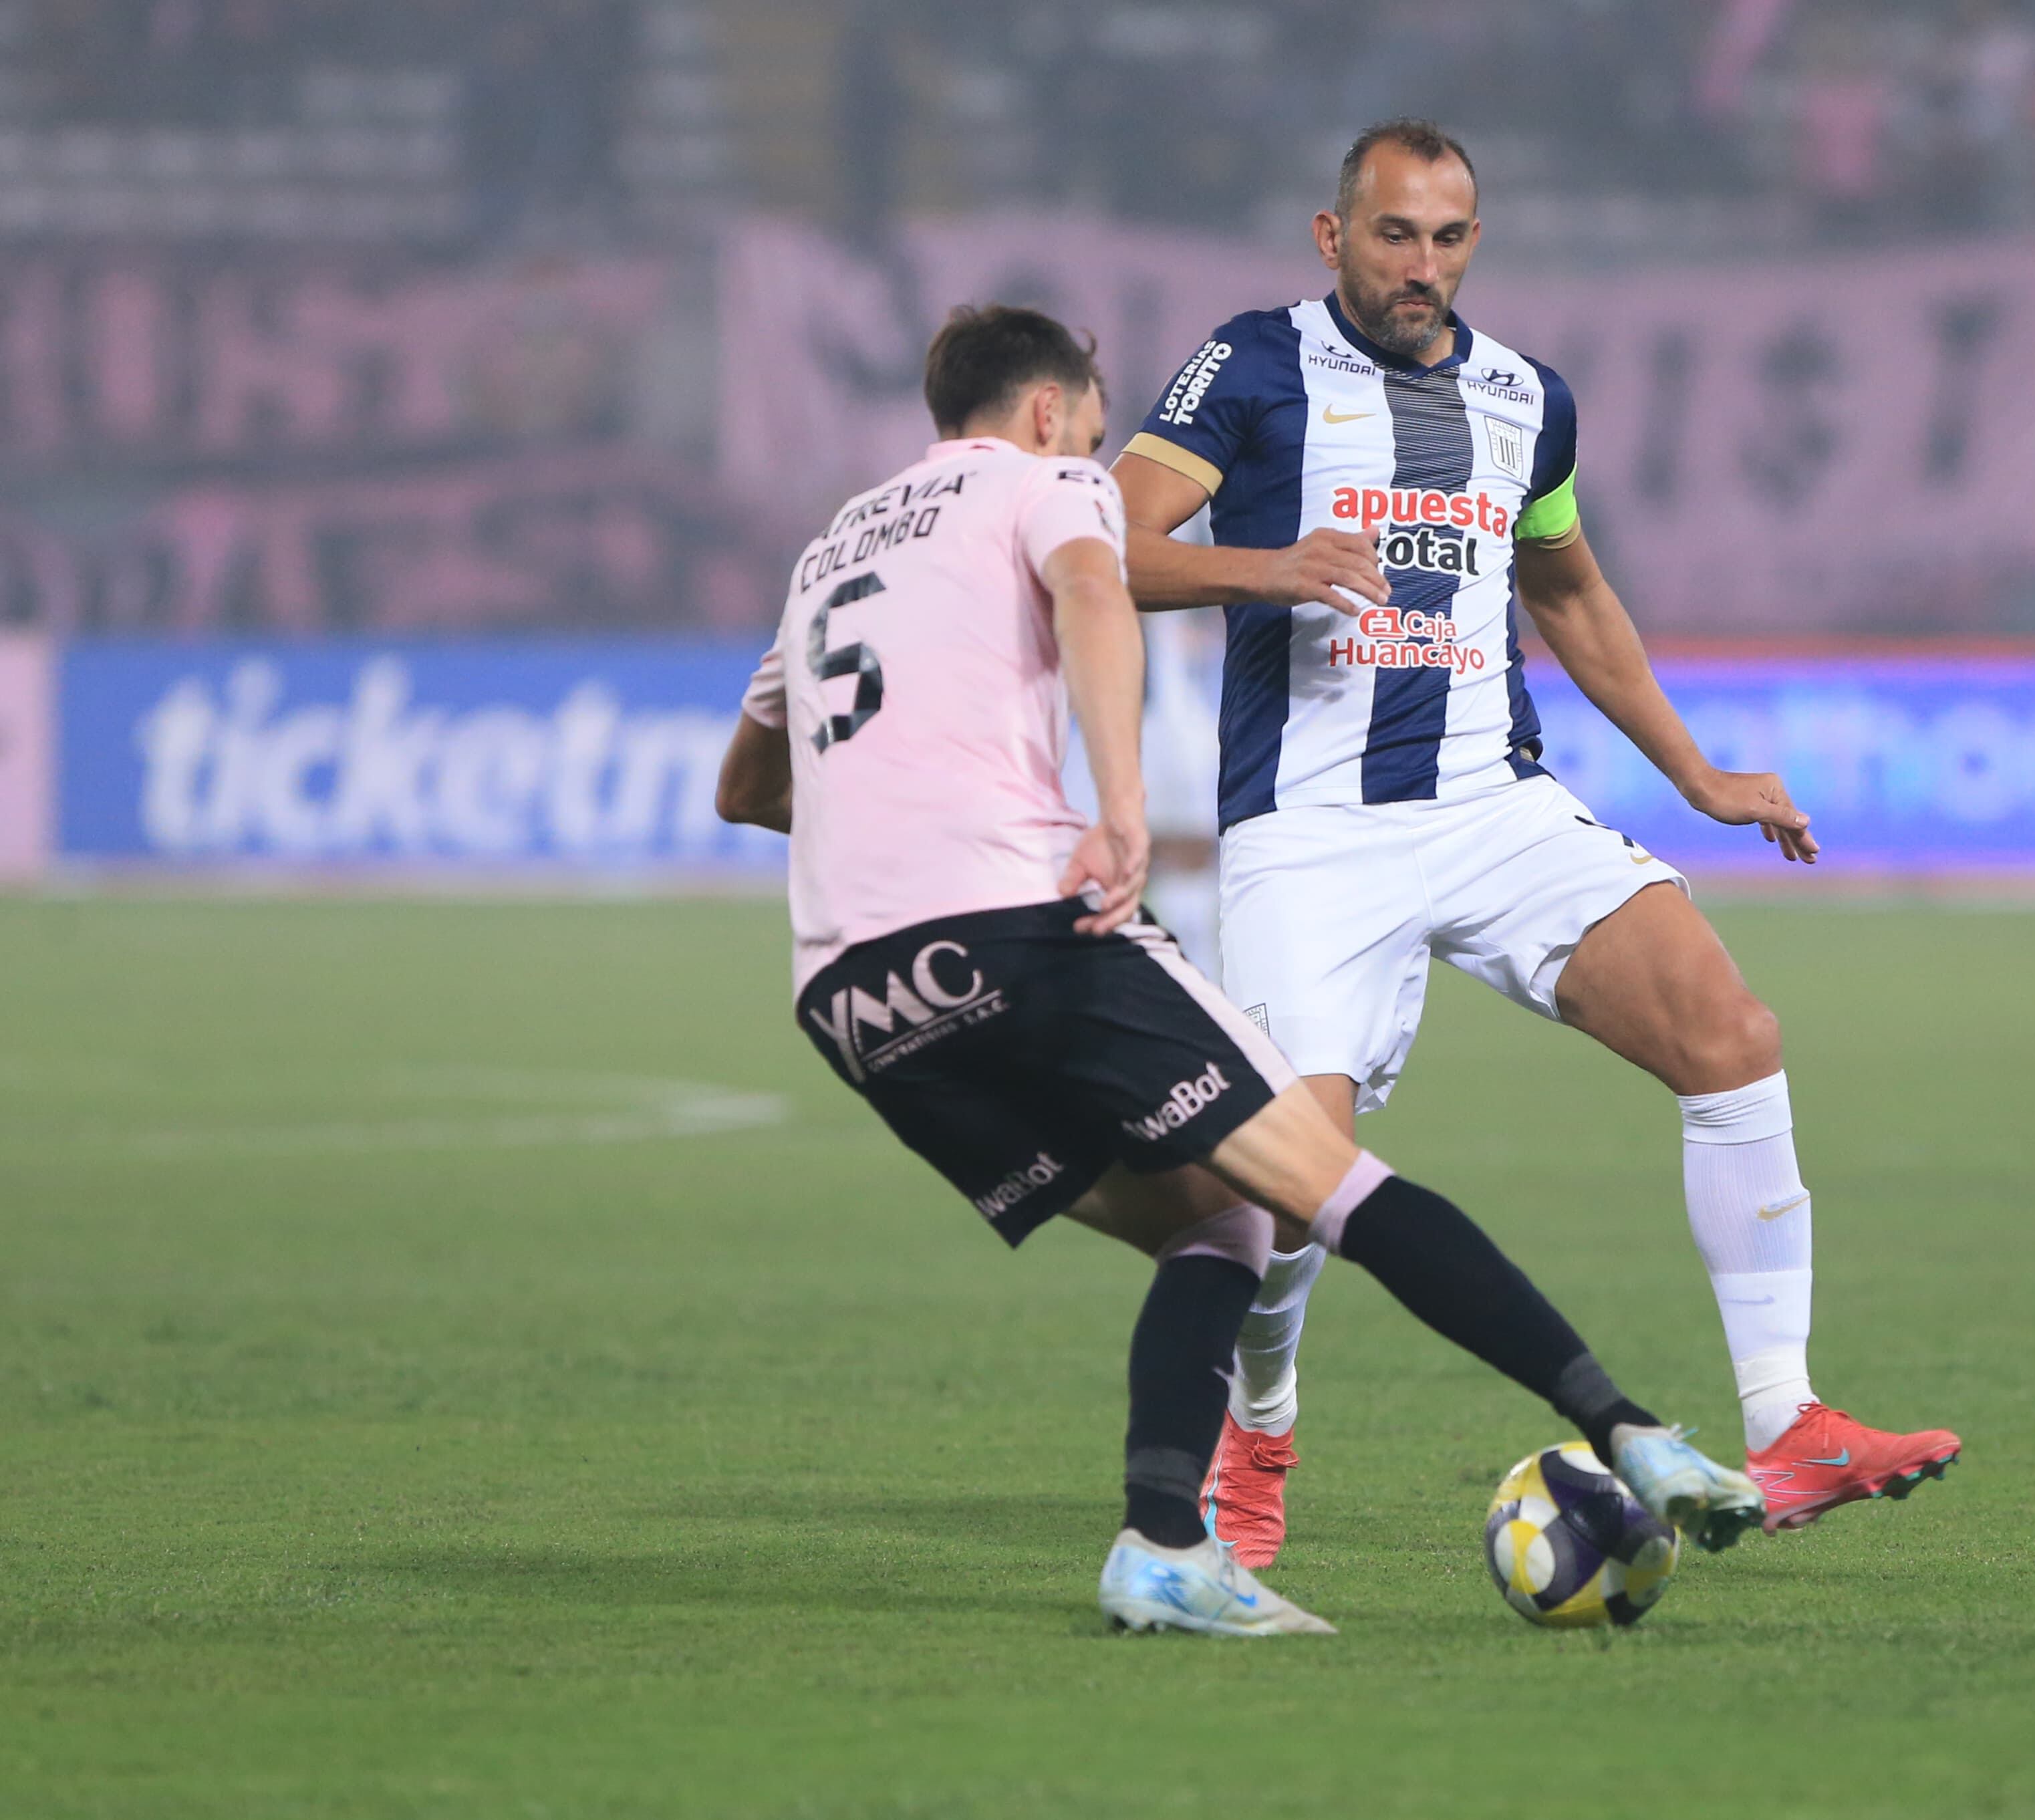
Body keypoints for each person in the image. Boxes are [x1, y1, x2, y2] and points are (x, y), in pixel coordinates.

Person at [712, 302, 1762, 1637]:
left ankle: (1164, 1548)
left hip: (858, 998)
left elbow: (746, 786)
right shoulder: (1053, 486)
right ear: (1051, 414)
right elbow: (1100, 589)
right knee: (1330, 1188)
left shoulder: (832, 553)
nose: (1096, 452)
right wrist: (1122, 806)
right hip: (1026, 932)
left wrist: (902, 835)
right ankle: (1629, 1429)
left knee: (1217, 1221)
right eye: (1093, 425)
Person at [1109, 120, 1960, 1572]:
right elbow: (1108, 541)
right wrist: (1268, 564)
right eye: (1392, 234)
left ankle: (1788, 1422)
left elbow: (1566, 590)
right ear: (1334, 239)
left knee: (1730, 1032)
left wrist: (1696, 772)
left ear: (1475, 245)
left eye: (1447, 237)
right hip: (1312, 833)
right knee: (1293, 1187)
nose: (1419, 264)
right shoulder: (1251, 366)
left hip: (1493, 805)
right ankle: (1259, 1441)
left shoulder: (1526, 401)